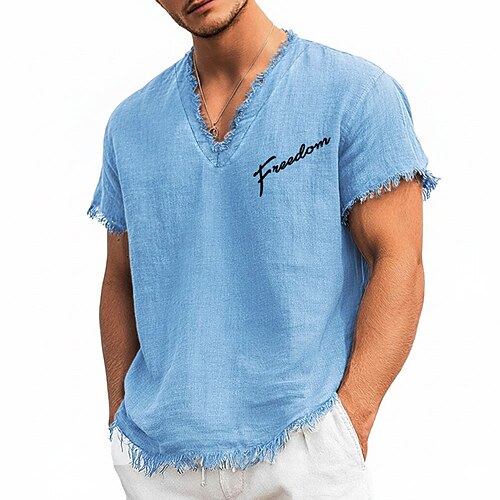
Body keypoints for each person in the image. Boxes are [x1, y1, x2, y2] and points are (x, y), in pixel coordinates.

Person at [86, 1, 440, 498]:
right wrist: (120, 423)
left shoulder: (354, 94)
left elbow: (400, 260)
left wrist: (348, 425)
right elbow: (121, 278)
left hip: (304, 450)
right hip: (161, 465)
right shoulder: (130, 126)